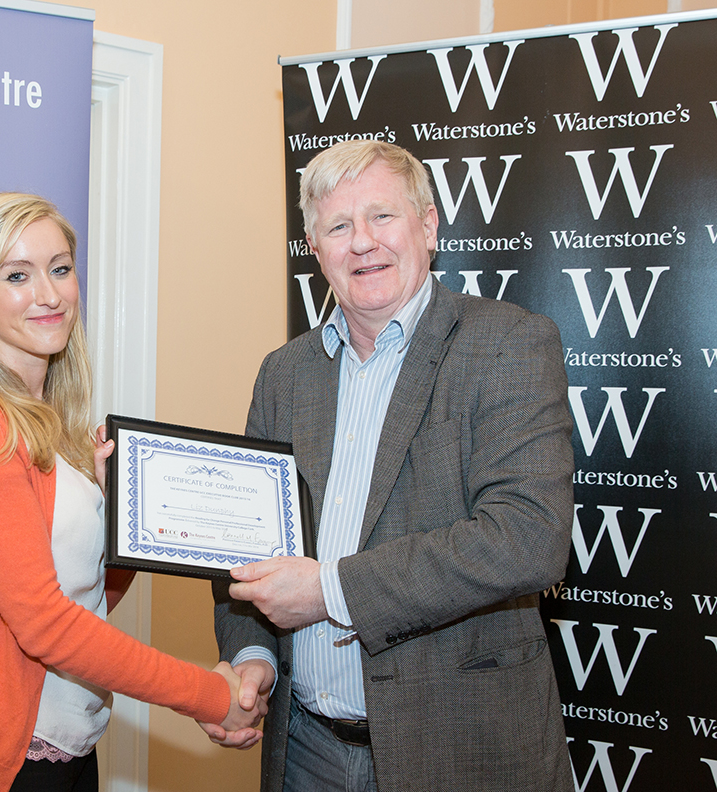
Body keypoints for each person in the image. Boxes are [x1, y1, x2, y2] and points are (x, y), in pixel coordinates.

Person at [207, 140, 575, 791]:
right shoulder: (284, 374)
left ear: (427, 226)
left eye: (382, 216)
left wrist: (330, 590)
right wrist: (252, 657)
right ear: (314, 248)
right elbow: (246, 542)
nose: (362, 242)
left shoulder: (508, 344)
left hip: (457, 751)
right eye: (338, 226)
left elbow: (527, 537)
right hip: (305, 749)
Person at [0, 193, 264, 792]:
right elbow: (45, 625)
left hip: (69, 746)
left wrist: (123, 514)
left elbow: (88, 596)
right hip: (7, 765)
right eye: (17, 276)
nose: (49, 294)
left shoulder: (52, 424)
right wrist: (207, 694)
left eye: (60, 269)